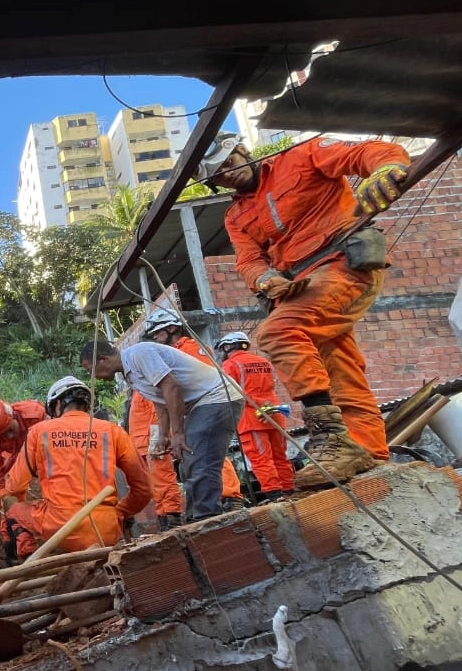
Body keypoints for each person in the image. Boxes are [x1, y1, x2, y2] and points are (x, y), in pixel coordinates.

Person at [198, 132, 411, 485]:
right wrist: (267, 280)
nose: (227, 174)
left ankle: (328, 436)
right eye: (217, 176)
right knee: (340, 371)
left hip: (342, 262)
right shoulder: (236, 217)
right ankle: (368, 456)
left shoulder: (302, 155)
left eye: (228, 164)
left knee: (279, 331)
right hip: (300, 286)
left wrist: (387, 166)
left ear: (241, 150)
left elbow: (365, 152)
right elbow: (248, 261)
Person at [81, 340, 243, 522]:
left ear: (103, 360)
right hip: (203, 403)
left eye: (90, 370)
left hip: (217, 397)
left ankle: (208, 519)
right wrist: (164, 436)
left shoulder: (139, 354)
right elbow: (160, 402)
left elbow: (171, 387)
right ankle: (195, 519)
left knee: (199, 458)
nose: (93, 377)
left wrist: (178, 433)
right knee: (187, 460)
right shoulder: (130, 374)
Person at [3, 377, 150, 561]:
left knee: (12, 507)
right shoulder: (113, 431)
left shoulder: (40, 432)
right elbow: (144, 490)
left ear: (57, 405)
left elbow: (14, 487)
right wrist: (121, 512)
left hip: (60, 529)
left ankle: (28, 561)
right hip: (105, 531)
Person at [141, 307, 245, 510]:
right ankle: (224, 497)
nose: (155, 337)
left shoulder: (184, 351)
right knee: (205, 455)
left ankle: (229, 497)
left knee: (207, 454)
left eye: (157, 332)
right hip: (201, 408)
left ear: (172, 328)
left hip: (208, 405)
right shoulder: (187, 350)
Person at [215, 331, 295, 501]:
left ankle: (275, 494)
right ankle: (289, 490)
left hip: (251, 419)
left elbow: (231, 394)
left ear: (228, 346)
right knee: (280, 456)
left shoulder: (230, 365)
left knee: (261, 459)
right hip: (274, 414)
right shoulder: (264, 362)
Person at [0, 397, 47, 562]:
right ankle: (16, 554)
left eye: (10, 429)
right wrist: (5, 494)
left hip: (40, 454)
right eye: (5, 434)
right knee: (11, 506)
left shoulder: (35, 414)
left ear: (14, 417)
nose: (9, 435)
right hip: (15, 460)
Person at [126, 388, 184, 531]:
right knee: (156, 484)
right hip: (144, 445)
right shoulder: (138, 390)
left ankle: (173, 517)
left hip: (152, 443)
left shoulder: (145, 388)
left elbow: (159, 414)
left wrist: (158, 440)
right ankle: (164, 517)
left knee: (163, 479)